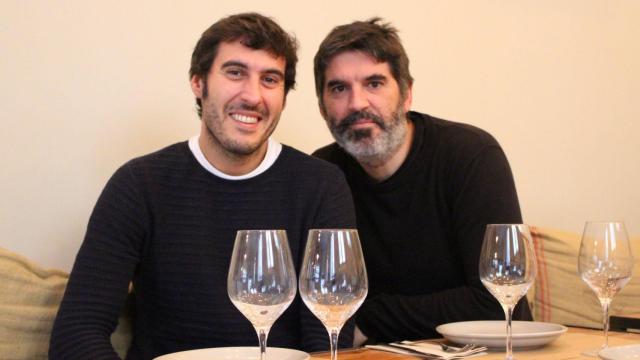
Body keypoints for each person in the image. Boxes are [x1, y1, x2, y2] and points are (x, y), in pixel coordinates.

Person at [50, 13, 355, 359]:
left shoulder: (321, 185)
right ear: (198, 81)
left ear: (283, 96)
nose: (253, 96)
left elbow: (329, 337)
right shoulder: (139, 185)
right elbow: (76, 334)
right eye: (235, 72)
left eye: (270, 79)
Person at [312, 18, 532, 345]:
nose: (357, 103)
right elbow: (318, 306)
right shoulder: (322, 174)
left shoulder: (470, 156)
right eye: (339, 88)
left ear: (407, 94)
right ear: (321, 106)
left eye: (374, 83)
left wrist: (369, 319)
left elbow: (500, 303)